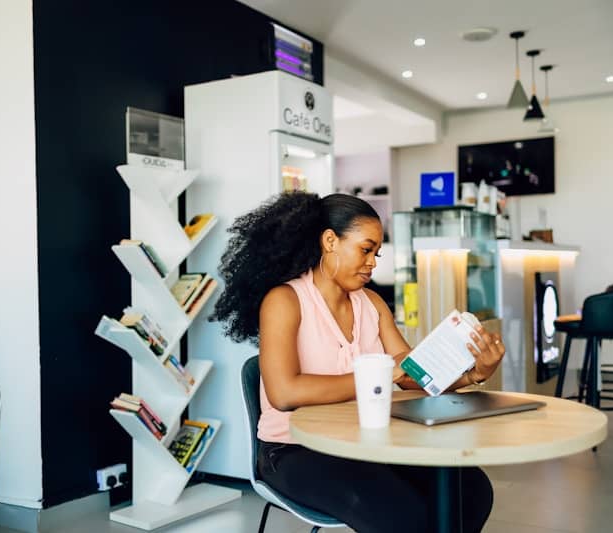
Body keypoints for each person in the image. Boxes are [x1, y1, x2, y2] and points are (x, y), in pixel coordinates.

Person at [211, 191, 505, 533]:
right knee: (401, 515)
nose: (372, 263)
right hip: (293, 449)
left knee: (471, 490)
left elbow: (411, 372)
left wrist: (473, 374)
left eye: (376, 254)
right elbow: (284, 393)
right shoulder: (285, 301)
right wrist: (382, 374)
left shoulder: (372, 303)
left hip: (362, 441)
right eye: (365, 250)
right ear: (330, 241)